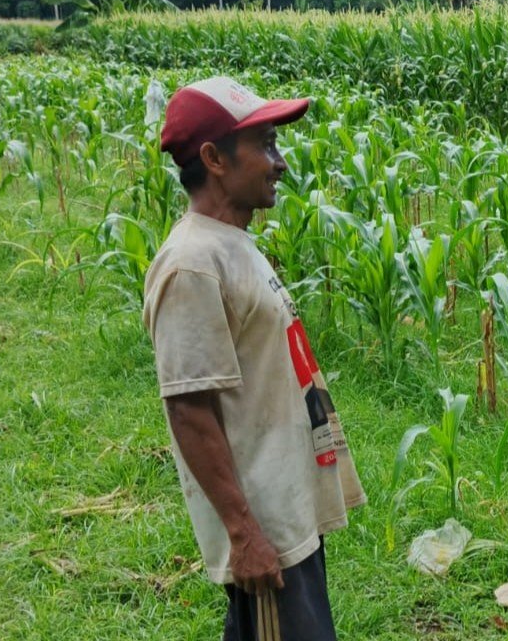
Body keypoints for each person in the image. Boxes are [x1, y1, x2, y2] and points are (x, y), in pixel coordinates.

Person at [143, 77, 365, 641]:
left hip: (283, 514)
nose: (280, 162)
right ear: (214, 158)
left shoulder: (230, 242)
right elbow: (189, 409)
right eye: (265, 144)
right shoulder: (193, 264)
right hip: (262, 525)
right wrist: (244, 535)